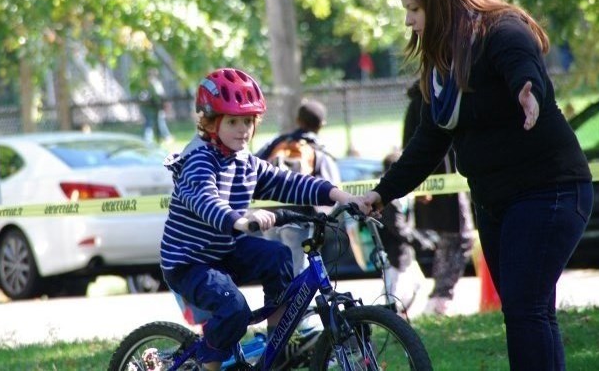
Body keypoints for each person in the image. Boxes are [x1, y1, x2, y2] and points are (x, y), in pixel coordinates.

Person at [353, 0, 592, 370]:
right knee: (527, 311)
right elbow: (428, 143)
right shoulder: (441, 67)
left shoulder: (501, 30)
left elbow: (522, 64)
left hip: (549, 190)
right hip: (495, 200)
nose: (409, 21)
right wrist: (382, 192)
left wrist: (528, 90)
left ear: (441, 2)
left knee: (525, 309)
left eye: (414, 9)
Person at [160, 67, 362, 370]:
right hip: (189, 261)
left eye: (248, 122)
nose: (243, 129)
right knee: (233, 307)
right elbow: (204, 199)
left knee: (279, 257)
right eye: (232, 121)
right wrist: (238, 220)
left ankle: (276, 346)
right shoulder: (199, 160)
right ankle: (208, 366)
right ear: (211, 123)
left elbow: (289, 182)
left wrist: (340, 196)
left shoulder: (245, 161)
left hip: (224, 249)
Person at [403, 80, 476, 315]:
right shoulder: (422, 101)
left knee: (456, 238)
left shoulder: (448, 93)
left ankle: (439, 297)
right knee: (458, 236)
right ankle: (440, 297)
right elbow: (411, 144)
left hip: (454, 179)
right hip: (439, 182)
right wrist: (420, 184)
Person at [255, 99, 341, 276]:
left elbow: (254, 168)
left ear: (298, 120)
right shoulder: (319, 150)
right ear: (321, 125)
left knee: (274, 269)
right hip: (298, 218)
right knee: (299, 270)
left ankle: (278, 302)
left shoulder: (277, 142)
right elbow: (332, 190)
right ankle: (300, 304)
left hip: (268, 215)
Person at [376, 151, 434, 312]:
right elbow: (398, 227)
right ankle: (389, 322)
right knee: (392, 296)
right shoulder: (388, 198)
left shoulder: (399, 192)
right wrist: (420, 240)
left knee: (417, 287)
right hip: (394, 255)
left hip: (405, 254)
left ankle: (399, 320)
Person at [139, 68, 173, 145]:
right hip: (154, 107)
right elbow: (161, 95)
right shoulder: (155, 84)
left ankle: (163, 137)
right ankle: (149, 139)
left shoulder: (145, 84)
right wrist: (164, 104)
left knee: (154, 122)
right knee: (154, 123)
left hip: (148, 107)